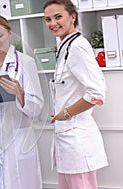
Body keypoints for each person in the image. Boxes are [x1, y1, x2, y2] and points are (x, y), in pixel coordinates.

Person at [43, 0, 108, 188]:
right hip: (66, 137)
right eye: (48, 19)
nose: (52, 23)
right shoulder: (65, 46)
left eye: (58, 16)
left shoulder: (77, 47)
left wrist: (67, 113)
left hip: (77, 138)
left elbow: (96, 93)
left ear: (72, 17)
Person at [0, 15, 44, 189]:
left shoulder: (25, 63)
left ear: (10, 33)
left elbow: (37, 106)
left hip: (18, 140)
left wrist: (19, 93)